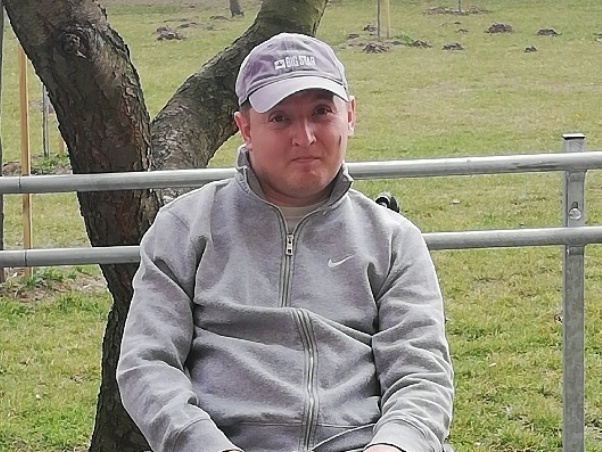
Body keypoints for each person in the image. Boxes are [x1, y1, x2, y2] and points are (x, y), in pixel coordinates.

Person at [117, 32, 454, 452]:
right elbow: (147, 363)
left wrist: (394, 445)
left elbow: (421, 374)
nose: (305, 136)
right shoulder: (184, 228)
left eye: (321, 112)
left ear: (350, 116)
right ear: (245, 128)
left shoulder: (394, 240)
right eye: (280, 118)